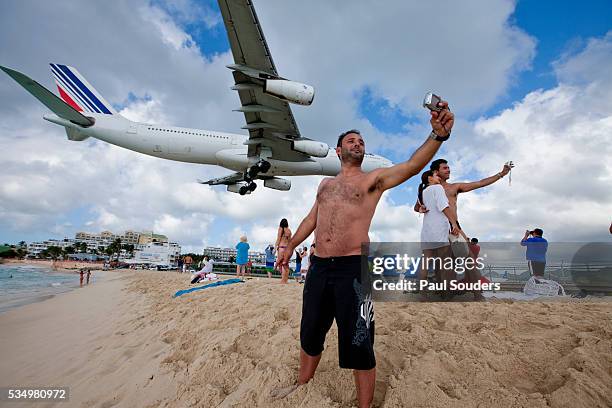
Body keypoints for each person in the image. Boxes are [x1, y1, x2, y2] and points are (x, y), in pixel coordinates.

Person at [274, 98, 454, 407]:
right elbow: (310, 219)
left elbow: (412, 167)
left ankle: (364, 405)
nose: (358, 144)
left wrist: (437, 136)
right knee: (311, 329)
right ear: (339, 151)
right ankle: (303, 382)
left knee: (359, 336)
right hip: (318, 266)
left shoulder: (373, 180)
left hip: (354, 268)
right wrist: (289, 247)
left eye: (361, 141)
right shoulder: (325, 185)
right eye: (351, 141)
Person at [417, 170, 459, 300]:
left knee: (425, 262)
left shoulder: (423, 192)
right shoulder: (438, 188)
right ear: (430, 178)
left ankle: (423, 294)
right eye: (436, 175)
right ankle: (446, 294)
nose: (439, 177)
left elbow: (419, 207)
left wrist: (420, 208)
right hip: (439, 229)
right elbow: (444, 207)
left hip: (427, 231)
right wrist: (454, 224)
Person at [275, 218, 292, 284]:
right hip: (287, 248)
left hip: (281, 247)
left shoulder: (280, 229)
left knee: (281, 264)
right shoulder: (289, 231)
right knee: (286, 264)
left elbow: (278, 239)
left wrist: (275, 247)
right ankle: (285, 280)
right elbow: (290, 241)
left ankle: (282, 279)